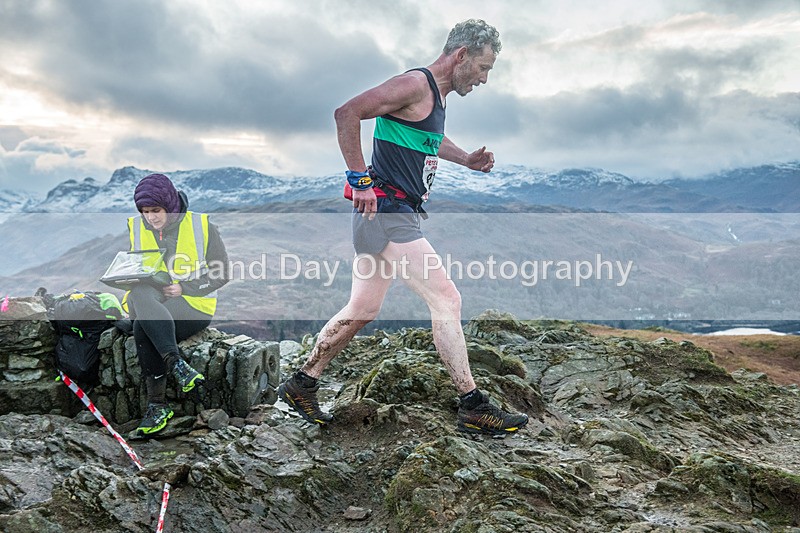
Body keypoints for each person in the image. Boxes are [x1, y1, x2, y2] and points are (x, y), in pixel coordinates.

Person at [278, 19, 529, 435]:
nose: (484, 79)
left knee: (363, 309)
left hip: (390, 214)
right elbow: (347, 113)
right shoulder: (415, 85)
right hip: (388, 212)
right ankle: (473, 405)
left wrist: (466, 159)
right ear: (461, 55)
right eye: (484, 68)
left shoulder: (435, 98)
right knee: (447, 299)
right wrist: (359, 180)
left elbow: (428, 140)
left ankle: (301, 384)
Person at [125, 173, 230, 436]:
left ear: (169, 205)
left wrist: (185, 287)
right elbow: (139, 267)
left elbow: (222, 273)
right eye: (145, 212)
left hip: (194, 305)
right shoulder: (137, 227)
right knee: (139, 292)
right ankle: (177, 365)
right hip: (155, 301)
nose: (150, 218)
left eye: (156, 210)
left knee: (141, 328)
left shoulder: (202, 226)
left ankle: (157, 406)